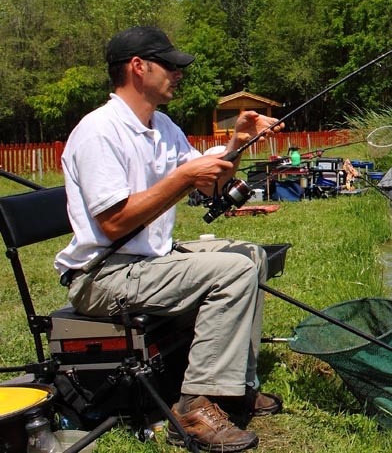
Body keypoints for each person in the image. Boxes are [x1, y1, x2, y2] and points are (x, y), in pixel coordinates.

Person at [54, 26, 284, 451]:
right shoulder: (99, 131)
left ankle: (237, 386)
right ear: (138, 67)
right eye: (170, 65)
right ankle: (195, 406)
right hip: (102, 275)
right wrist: (183, 177)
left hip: (148, 262)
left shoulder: (162, 126)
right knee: (231, 270)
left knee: (250, 254)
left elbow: (208, 188)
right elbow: (114, 223)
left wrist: (237, 143)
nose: (179, 74)